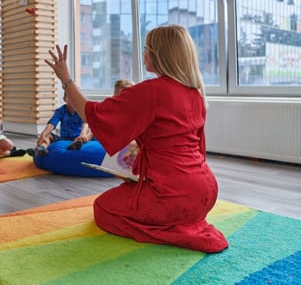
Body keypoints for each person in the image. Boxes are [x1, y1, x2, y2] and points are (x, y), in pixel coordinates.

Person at [45, 25, 228, 253]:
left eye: (147, 48)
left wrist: (66, 79)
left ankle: (176, 232)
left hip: (172, 195)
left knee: (103, 208)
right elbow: (196, 148)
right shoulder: (195, 94)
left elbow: (93, 113)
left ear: (159, 54)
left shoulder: (151, 91)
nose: (144, 54)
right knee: (133, 196)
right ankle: (182, 223)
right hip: (206, 191)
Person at [26, 92, 91, 156]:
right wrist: (43, 134)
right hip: (64, 138)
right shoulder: (61, 110)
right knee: (47, 135)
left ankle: (77, 144)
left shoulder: (81, 110)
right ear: (64, 99)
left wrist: (83, 134)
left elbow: (85, 122)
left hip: (78, 138)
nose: (72, 99)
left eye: (74, 97)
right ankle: (42, 148)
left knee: (90, 132)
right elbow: (52, 123)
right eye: (70, 97)